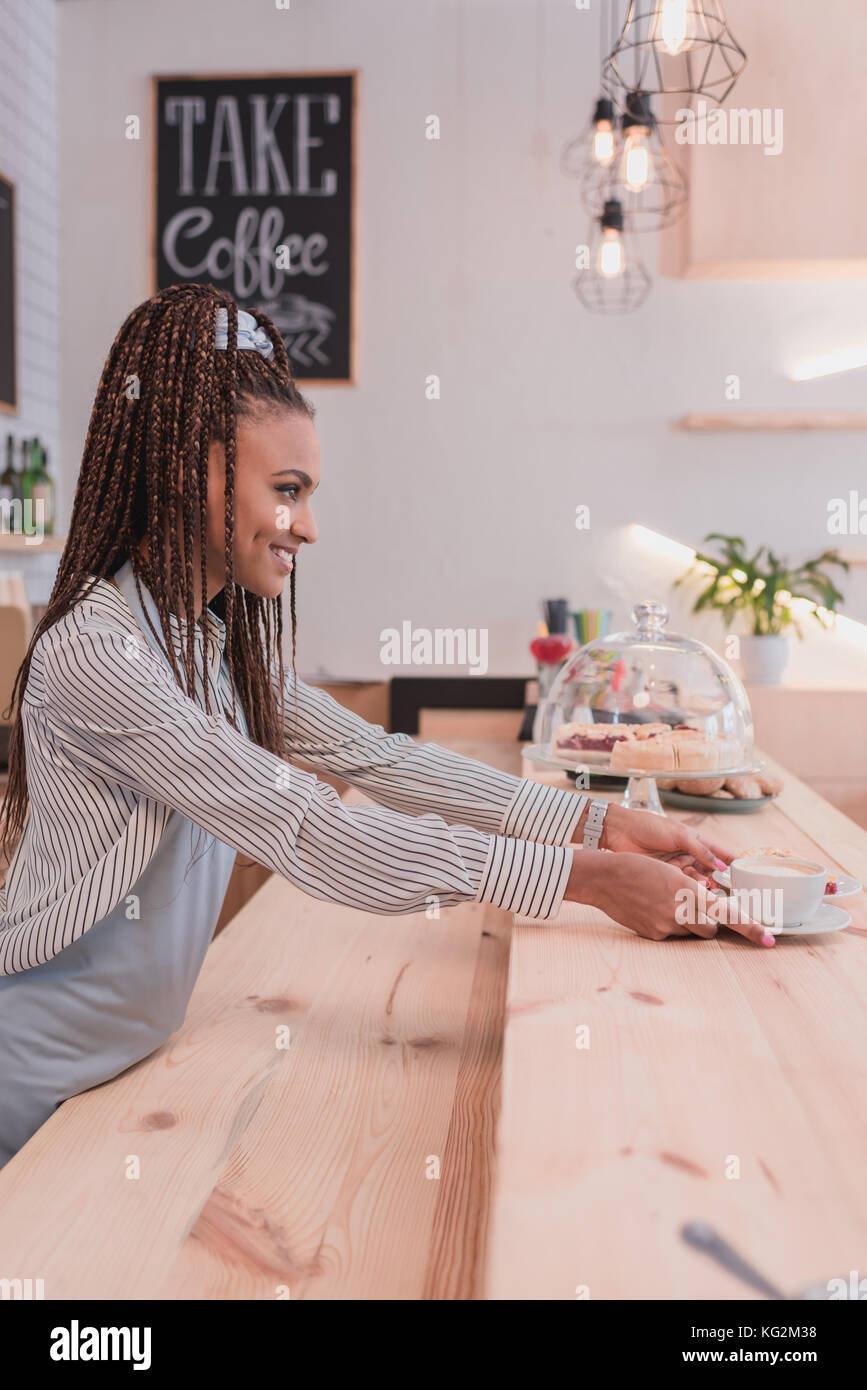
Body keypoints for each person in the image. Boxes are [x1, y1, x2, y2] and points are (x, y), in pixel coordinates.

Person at [0, 283, 771, 1169]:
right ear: (190, 471)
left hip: (115, 1070)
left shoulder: (206, 649)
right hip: (33, 1086)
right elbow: (310, 828)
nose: (309, 527)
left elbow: (373, 757)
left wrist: (601, 822)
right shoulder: (102, 656)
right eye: (286, 491)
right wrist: (590, 878)